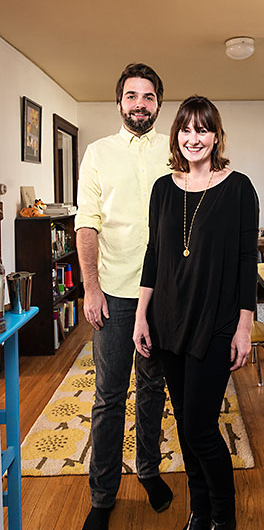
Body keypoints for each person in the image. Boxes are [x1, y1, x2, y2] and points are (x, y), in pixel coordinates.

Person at [133, 96, 259, 530]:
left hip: (216, 321)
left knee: (203, 426)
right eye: (186, 129)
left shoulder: (239, 187)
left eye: (202, 129)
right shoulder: (162, 189)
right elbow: (154, 255)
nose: (194, 138)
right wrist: (140, 316)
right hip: (168, 321)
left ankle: (224, 516)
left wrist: (244, 327)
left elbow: (247, 260)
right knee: (186, 424)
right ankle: (199, 509)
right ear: (176, 137)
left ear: (216, 136)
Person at [75, 63, 173, 530]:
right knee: (109, 397)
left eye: (148, 97)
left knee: (153, 389)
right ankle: (103, 494)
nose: (140, 104)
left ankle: (150, 470)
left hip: (162, 296)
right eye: (132, 96)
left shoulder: (173, 153)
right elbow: (86, 224)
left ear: (158, 104)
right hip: (113, 295)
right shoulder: (97, 153)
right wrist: (90, 289)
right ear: (119, 103)